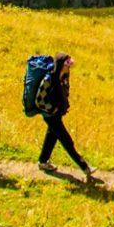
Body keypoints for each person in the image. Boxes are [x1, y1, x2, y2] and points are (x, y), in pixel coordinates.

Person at [36, 54, 97, 183]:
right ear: (61, 65)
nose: (69, 68)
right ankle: (85, 167)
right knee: (67, 141)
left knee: (51, 137)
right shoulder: (48, 79)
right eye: (67, 65)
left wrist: (63, 105)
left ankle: (42, 161)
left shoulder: (64, 76)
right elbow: (39, 100)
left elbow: (65, 92)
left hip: (57, 114)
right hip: (50, 115)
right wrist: (53, 109)